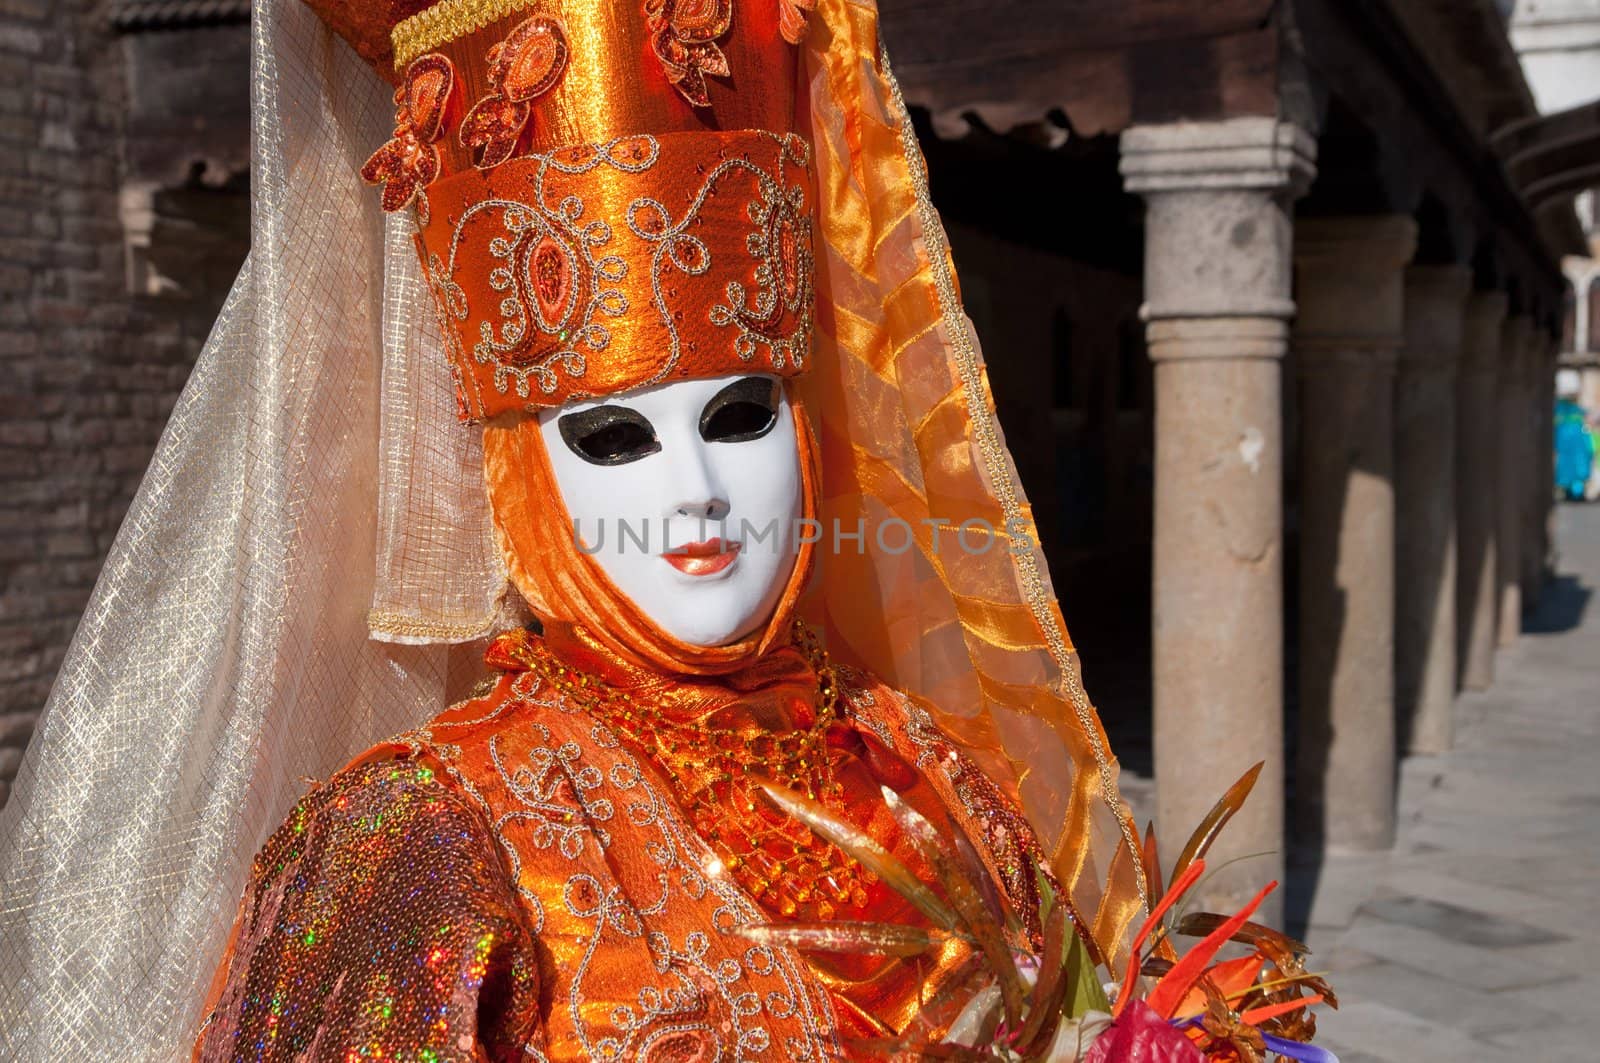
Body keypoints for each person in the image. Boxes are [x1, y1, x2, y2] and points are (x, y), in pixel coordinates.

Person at [0, 1, 1147, 1057]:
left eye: (740, 417)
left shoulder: (926, 767)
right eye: (612, 438)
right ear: (520, 476)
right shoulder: (424, 846)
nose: (698, 489)